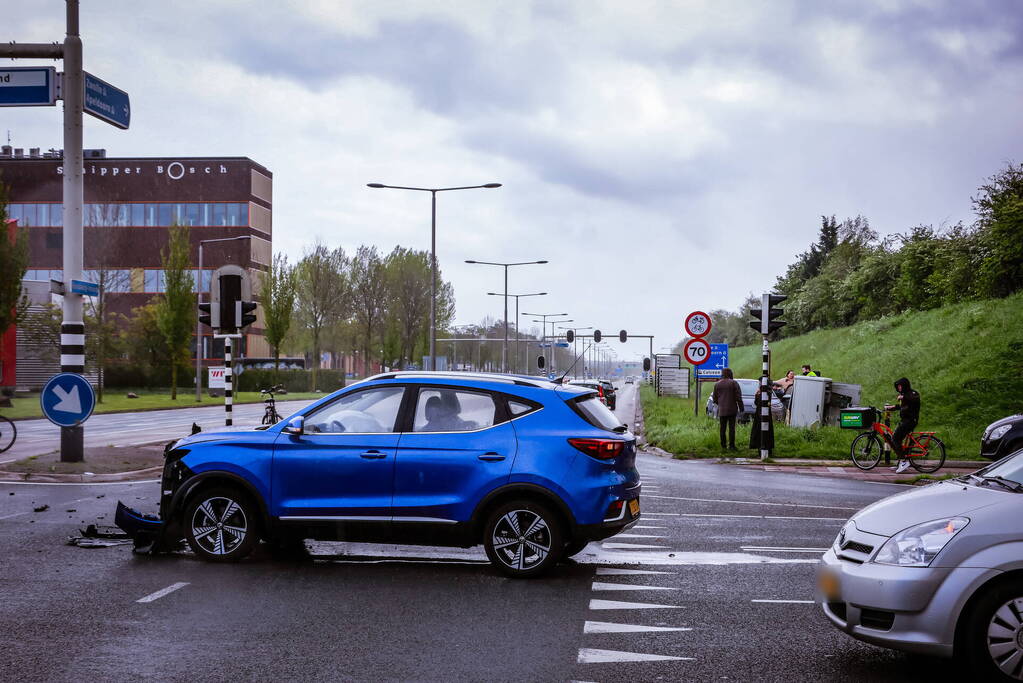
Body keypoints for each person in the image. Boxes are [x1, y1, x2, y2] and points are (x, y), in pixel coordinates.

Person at [887, 377, 921, 474]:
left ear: (905, 385)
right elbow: (902, 406)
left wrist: (904, 397)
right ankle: (900, 462)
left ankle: (903, 462)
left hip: (910, 421)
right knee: (897, 439)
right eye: (898, 386)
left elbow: (914, 399)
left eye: (900, 386)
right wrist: (891, 407)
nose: (899, 388)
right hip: (905, 421)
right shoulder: (905, 395)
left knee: (895, 439)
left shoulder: (912, 393)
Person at [711, 368, 744, 450]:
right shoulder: (734, 383)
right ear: (730, 374)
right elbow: (738, 397)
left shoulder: (717, 384)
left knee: (722, 428)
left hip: (722, 410)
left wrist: (721, 404)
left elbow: (714, 399)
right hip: (732, 409)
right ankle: (732, 446)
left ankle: (723, 446)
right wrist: (741, 408)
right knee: (731, 428)